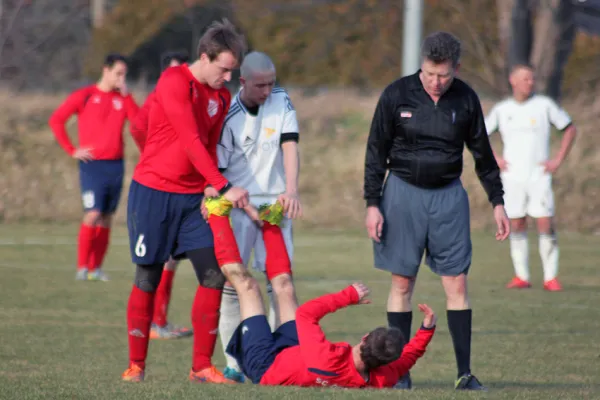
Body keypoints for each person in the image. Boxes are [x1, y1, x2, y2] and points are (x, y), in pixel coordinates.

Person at [363, 31, 510, 391]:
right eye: (429, 73)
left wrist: (498, 202)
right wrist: (372, 204)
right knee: (402, 282)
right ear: (421, 65)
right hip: (401, 193)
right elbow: (374, 152)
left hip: (448, 197)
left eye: (443, 75)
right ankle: (399, 372)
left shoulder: (466, 99)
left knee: (456, 282)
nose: (435, 81)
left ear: (456, 69)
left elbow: (483, 157)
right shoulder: (396, 94)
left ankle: (464, 373)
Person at [121, 20, 250, 384]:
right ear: (204, 57)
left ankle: (201, 366)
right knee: (148, 276)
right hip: (153, 196)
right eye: (224, 68)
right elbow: (189, 139)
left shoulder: (221, 96)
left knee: (213, 274)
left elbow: (207, 146)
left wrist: (209, 186)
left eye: (232, 71)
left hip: (194, 200)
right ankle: (136, 366)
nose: (228, 77)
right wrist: (224, 186)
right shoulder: (175, 81)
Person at [214, 51, 302, 383]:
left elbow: (290, 145)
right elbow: (220, 169)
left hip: (275, 206)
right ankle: (234, 362)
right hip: (240, 206)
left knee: (281, 283)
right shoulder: (230, 114)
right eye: (260, 85)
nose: (267, 91)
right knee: (235, 285)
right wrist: (230, 198)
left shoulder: (282, 100)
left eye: (271, 83)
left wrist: (291, 189)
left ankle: (283, 356)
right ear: (243, 82)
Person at [225, 278, 436, 388]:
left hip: (265, 366)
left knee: (248, 287)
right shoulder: (381, 379)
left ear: (364, 338)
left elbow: (306, 314)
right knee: (285, 288)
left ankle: (218, 216)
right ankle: (273, 224)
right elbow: (407, 358)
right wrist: (426, 330)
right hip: (294, 352)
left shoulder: (327, 358)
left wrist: (348, 296)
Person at [485, 64, 577, 291]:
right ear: (512, 81)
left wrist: (557, 160)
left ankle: (550, 277)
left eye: (532, 79)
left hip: (539, 176)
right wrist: (494, 158)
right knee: (516, 223)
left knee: (545, 221)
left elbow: (569, 129)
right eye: (525, 79)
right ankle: (521, 276)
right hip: (512, 177)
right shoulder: (502, 109)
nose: (530, 83)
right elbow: (480, 134)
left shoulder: (544, 106)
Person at [49, 53, 139, 282]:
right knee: (93, 214)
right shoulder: (86, 95)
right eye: (118, 73)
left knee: (107, 217)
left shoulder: (123, 99)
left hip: (115, 166)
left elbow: (139, 124)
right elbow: (57, 120)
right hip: (92, 166)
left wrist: (128, 97)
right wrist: (72, 150)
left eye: (124, 74)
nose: (121, 78)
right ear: (105, 70)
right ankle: (82, 267)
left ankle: (95, 269)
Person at [129, 50, 193, 340]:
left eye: (184, 69)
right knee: (158, 261)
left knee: (171, 259)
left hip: (185, 188)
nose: (180, 76)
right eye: (174, 71)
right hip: (160, 189)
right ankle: (155, 323)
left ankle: (159, 321)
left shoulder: (196, 96)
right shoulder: (160, 96)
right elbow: (138, 127)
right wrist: (154, 157)